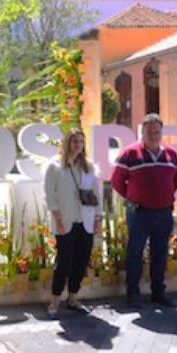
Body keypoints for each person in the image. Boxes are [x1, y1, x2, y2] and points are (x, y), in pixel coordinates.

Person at [111, 113, 177, 309]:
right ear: (141, 132)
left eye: (156, 131)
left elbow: (176, 180)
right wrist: (134, 197)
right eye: (149, 131)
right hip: (139, 213)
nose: (153, 134)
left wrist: (163, 196)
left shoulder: (170, 154)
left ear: (161, 133)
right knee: (135, 253)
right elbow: (117, 181)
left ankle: (158, 291)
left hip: (164, 213)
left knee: (160, 253)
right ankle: (133, 293)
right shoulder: (130, 153)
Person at [43, 128, 104, 319]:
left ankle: (72, 297)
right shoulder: (54, 167)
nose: (77, 145)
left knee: (81, 260)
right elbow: (50, 195)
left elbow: (96, 194)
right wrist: (58, 219)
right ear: (67, 143)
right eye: (74, 141)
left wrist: (98, 218)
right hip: (66, 221)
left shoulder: (89, 166)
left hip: (85, 220)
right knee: (64, 262)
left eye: (80, 141)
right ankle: (54, 300)